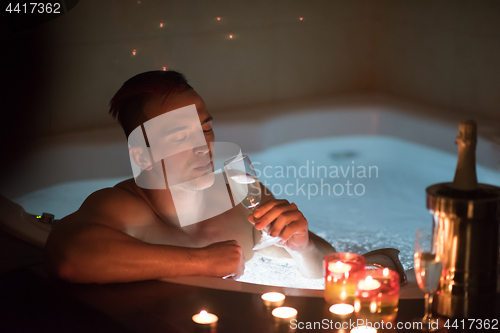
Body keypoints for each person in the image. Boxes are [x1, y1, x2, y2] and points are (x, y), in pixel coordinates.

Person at [44, 70, 338, 284]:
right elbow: (70, 257)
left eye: (205, 128)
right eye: (180, 136)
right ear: (143, 157)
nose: (204, 146)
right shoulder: (124, 207)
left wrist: (303, 247)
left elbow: (324, 272)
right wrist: (201, 261)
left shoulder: (240, 193)